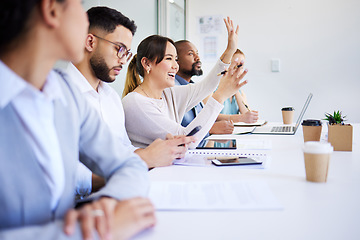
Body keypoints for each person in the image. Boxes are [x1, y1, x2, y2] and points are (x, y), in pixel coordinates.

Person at [0, 1, 155, 239]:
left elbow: (128, 164)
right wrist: (93, 231)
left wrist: (105, 204)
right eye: (79, 6)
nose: (85, 20)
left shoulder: (63, 93)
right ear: (51, 10)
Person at [67, 7, 194, 196]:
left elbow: (123, 149)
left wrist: (156, 151)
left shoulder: (110, 97)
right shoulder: (58, 94)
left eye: (126, 52)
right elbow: (67, 177)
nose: (123, 60)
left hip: (119, 192)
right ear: (90, 42)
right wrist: (143, 160)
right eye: (119, 48)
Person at [122, 17, 248, 148]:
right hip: (152, 169)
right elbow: (185, 141)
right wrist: (220, 96)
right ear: (147, 63)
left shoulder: (167, 94)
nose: (175, 66)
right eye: (169, 58)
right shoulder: (135, 102)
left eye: (176, 59)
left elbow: (207, 86)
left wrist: (230, 51)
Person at [174, 41, 259, 138]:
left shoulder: (195, 88)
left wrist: (234, 87)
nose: (198, 58)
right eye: (190, 54)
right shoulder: (179, 90)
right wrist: (211, 129)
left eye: (241, 66)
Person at [220, 49, 257, 116]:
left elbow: (246, 114)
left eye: (241, 67)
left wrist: (235, 89)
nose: (239, 71)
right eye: (236, 66)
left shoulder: (240, 92)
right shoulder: (214, 90)